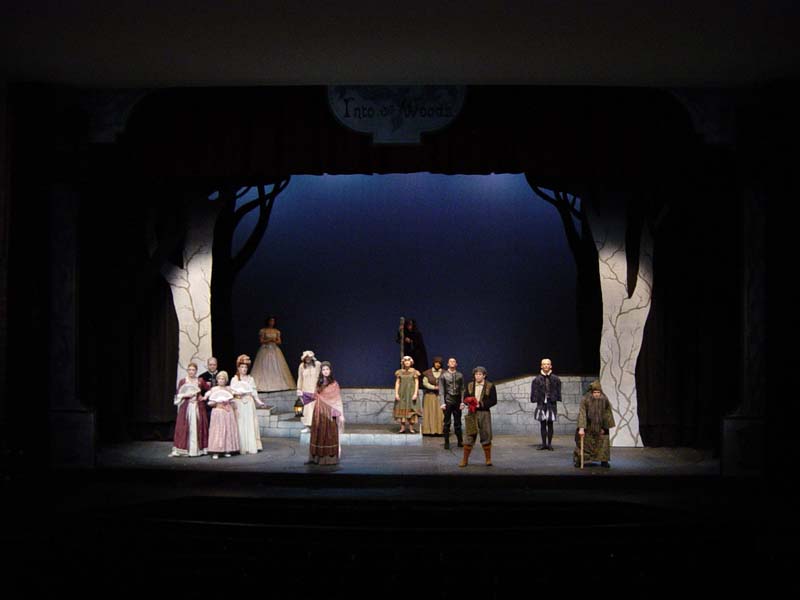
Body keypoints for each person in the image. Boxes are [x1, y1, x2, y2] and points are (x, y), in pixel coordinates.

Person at [307, 361, 345, 465]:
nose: (325, 371)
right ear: (321, 371)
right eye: (323, 369)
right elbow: (315, 395)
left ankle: (329, 459)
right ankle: (316, 458)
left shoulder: (334, 384)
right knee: (318, 433)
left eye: (327, 369)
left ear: (330, 370)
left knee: (329, 434)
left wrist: (340, 414)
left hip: (330, 412)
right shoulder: (319, 383)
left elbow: (337, 399)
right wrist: (304, 395)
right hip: (319, 411)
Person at [169, 362, 210, 457]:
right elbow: (178, 394)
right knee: (184, 427)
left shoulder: (200, 381)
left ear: (196, 371)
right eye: (190, 370)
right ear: (187, 370)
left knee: (198, 426)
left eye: (193, 370)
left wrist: (204, 397)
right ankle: (184, 449)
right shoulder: (183, 381)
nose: (191, 372)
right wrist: (186, 395)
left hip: (197, 406)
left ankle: (197, 450)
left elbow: (209, 389)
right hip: (186, 407)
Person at [459, 366, 497, 467]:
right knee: (469, 435)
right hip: (472, 413)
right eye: (476, 374)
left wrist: (481, 404)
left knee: (486, 435)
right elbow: (466, 397)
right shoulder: (470, 385)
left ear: (484, 375)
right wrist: (465, 403)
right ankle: (465, 460)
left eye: (480, 374)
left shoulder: (490, 385)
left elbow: (493, 400)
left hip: (484, 413)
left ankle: (488, 459)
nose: (478, 376)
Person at [574, 380, 616, 468]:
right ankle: (580, 460)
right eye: (595, 392)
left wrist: (604, 427)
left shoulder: (604, 399)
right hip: (588, 426)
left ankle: (604, 460)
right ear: (591, 392)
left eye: (598, 392)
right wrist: (581, 428)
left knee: (603, 443)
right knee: (584, 444)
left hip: (601, 426)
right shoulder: (585, 399)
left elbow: (607, 414)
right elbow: (582, 414)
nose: (596, 394)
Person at [231, 354, 265, 455]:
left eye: (245, 367)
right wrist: (237, 393)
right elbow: (232, 391)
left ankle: (251, 445)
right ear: (238, 368)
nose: (244, 369)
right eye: (242, 367)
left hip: (249, 403)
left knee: (250, 423)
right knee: (240, 423)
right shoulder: (235, 379)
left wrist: (259, 402)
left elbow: (254, 392)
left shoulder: (250, 379)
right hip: (239, 402)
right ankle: (241, 446)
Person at [251, 316, 296, 392]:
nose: (272, 322)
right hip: (265, 349)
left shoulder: (276, 331)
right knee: (265, 365)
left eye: (273, 321)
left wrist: (274, 340)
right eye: (270, 321)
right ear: (267, 322)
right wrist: (269, 340)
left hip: (274, 349)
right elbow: (261, 341)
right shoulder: (263, 330)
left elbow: (279, 341)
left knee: (277, 365)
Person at [205, 371, 240, 459]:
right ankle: (216, 451)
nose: (221, 380)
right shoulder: (214, 389)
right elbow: (209, 402)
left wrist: (229, 401)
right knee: (217, 431)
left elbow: (233, 400)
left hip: (227, 412)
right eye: (219, 379)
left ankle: (227, 450)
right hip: (218, 412)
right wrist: (216, 402)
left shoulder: (228, 389)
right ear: (217, 380)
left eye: (223, 379)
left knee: (227, 430)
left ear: (226, 380)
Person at [530, 358, 562, 450]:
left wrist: (556, 398)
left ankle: (550, 444)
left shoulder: (556, 379)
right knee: (543, 424)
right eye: (544, 364)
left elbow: (558, 390)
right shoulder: (537, 379)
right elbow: (533, 391)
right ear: (541, 366)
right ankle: (544, 443)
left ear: (550, 366)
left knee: (550, 423)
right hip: (541, 404)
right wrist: (535, 399)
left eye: (548, 364)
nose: (546, 366)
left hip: (551, 403)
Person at [439, 357, 464, 450]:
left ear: (456, 364)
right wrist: (442, 403)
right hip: (448, 400)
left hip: (457, 401)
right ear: (448, 364)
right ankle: (446, 441)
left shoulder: (460, 375)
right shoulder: (444, 375)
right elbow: (441, 390)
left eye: (454, 361)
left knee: (458, 422)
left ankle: (460, 441)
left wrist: (462, 402)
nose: (452, 363)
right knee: (447, 422)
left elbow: (462, 389)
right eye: (450, 361)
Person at [393, 355, 421, 433]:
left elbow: (416, 383)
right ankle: (402, 428)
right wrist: (396, 393)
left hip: (411, 393)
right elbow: (397, 383)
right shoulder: (399, 372)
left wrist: (415, 393)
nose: (407, 362)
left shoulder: (414, 372)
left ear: (411, 362)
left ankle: (411, 428)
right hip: (402, 393)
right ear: (403, 363)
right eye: (405, 361)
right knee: (402, 408)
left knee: (411, 409)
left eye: (408, 361)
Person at [297, 350, 322, 433]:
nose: (307, 359)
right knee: (307, 410)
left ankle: (317, 427)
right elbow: (300, 378)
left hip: (315, 391)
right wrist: (299, 389)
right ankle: (308, 427)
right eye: (306, 357)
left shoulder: (318, 364)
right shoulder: (301, 366)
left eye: (309, 357)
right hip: (306, 391)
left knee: (316, 409)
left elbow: (322, 377)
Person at [421, 356, 445, 436]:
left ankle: (439, 431)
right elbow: (425, 383)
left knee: (440, 413)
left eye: (439, 363)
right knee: (429, 412)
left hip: (440, 396)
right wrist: (434, 387)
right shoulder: (427, 372)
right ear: (434, 363)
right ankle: (428, 431)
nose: (438, 364)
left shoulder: (445, 373)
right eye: (436, 362)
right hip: (429, 395)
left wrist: (441, 388)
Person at [199, 356, 221, 427]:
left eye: (214, 365)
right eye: (210, 365)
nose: (212, 366)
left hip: (219, 403)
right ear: (208, 365)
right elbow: (199, 392)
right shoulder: (202, 377)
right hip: (207, 404)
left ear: (217, 365)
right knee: (208, 422)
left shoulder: (222, 375)